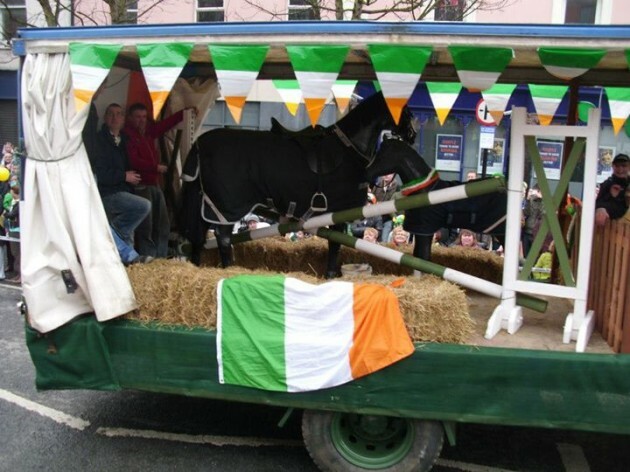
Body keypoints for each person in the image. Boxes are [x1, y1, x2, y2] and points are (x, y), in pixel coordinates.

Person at [125, 102, 197, 258]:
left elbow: (165, 125)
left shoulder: (148, 132)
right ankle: (149, 258)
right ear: (129, 118)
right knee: (147, 226)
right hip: (140, 186)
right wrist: (154, 167)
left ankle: (160, 258)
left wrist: (184, 113)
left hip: (153, 183)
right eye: (137, 117)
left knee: (162, 223)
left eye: (144, 117)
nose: (141, 120)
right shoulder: (127, 135)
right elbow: (133, 161)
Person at [88, 103, 151, 257]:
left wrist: (132, 178)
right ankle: (113, 234)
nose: (115, 117)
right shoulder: (98, 140)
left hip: (123, 189)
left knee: (130, 230)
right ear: (105, 117)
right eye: (111, 114)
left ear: (124, 119)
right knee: (143, 206)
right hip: (106, 193)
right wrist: (124, 176)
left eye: (119, 114)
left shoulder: (125, 140)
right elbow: (100, 173)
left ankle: (128, 266)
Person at [595, 153, 629, 227]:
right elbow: (598, 203)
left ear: (629, 167)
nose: (620, 169)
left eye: (624, 166)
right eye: (617, 166)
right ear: (613, 166)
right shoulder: (607, 184)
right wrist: (601, 209)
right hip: (612, 228)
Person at [373, 173, 399, 243]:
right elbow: (372, 198)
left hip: (388, 218)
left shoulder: (397, 186)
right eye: (384, 173)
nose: (386, 175)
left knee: (384, 241)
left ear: (394, 175)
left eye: (389, 173)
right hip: (375, 217)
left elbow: (394, 205)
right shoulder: (378, 184)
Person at [522, 184, 544, 256]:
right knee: (526, 255)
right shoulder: (531, 199)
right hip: (527, 232)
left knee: (534, 256)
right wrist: (528, 200)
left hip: (537, 234)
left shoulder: (545, 202)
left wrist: (541, 200)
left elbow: (542, 215)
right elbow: (526, 212)